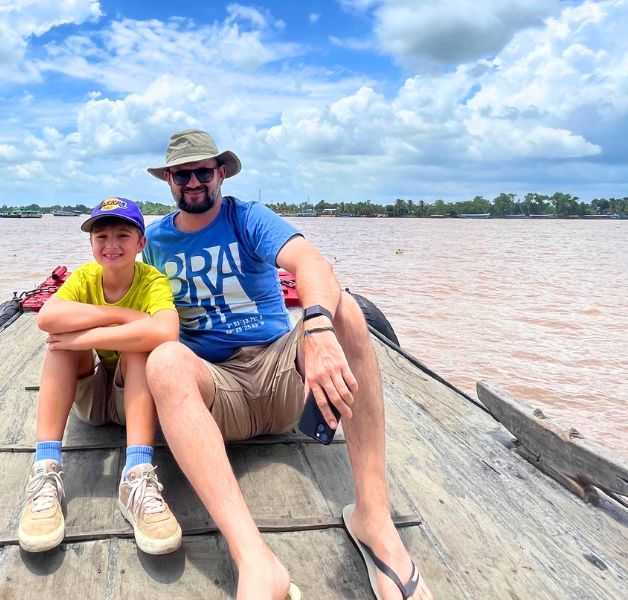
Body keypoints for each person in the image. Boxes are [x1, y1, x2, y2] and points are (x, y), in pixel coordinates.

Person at [142, 130, 432, 600]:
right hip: (217, 393)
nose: (192, 181)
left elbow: (310, 262)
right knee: (165, 360)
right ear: (169, 180)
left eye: (202, 171)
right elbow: (132, 299)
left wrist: (315, 326)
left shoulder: (247, 217)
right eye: (181, 173)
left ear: (220, 174)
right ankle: (254, 558)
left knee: (347, 311)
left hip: (281, 379)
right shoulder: (154, 241)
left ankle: (374, 522)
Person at [18, 196, 183, 556]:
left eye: (123, 235)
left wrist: (89, 334)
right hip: (92, 402)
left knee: (138, 348)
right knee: (61, 349)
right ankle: (46, 469)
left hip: (132, 401)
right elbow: (47, 318)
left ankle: (137, 473)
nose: (111, 245)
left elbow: (166, 331)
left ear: (141, 243)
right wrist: (125, 316)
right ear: (91, 244)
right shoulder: (85, 277)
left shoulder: (152, 280)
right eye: (101, 237)